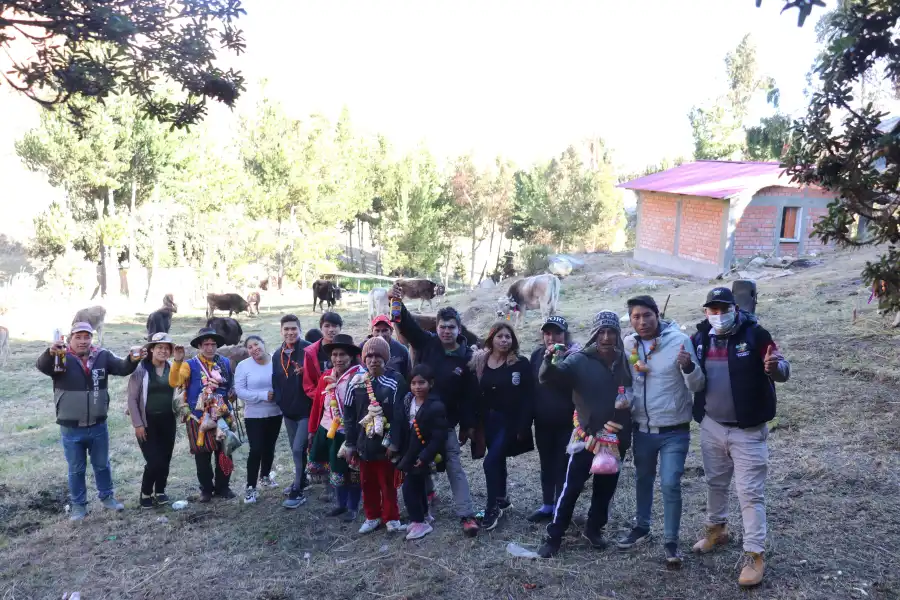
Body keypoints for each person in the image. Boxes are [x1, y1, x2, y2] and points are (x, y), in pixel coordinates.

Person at [690, 287, 790, 587]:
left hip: (747, 430)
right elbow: (696, 381)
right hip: (712, 425)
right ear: (706, 312)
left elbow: (783, 368)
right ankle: (717, 529)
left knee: (749, 493)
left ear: (735, 308)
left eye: (723, 309)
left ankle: (754, 554)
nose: (718, 316)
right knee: (715, 483)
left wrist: (775, 368)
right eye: (712, 310)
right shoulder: (700, 338)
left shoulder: (756, 335)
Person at [617, 295, 705, 566]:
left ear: (657, 314)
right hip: (641, 429)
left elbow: (697, 385)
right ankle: (641, 527)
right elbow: (626, 382)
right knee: (642, 480)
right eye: (636, 317)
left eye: (647, 315)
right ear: (630, 320)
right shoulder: (628, 343)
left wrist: (688, 366)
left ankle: (671, 541)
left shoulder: (679, 340)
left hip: (673, 430)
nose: (642, 322)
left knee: (669, 483)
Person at [535, 311, 632, 557]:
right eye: (602, 332)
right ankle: (554, 536)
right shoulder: (580, 360)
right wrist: (549, 360)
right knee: (571, 488)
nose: (607, 337)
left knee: (606, 488)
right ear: (594, 335)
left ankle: (594, 529)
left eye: (612, 332)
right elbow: (550, 377)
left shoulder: (623, 361)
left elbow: (632, 389)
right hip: (585, 438)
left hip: (613, 438)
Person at [390, 281, 481, 537]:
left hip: (446, 423)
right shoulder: (427, 343)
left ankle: (467, 514)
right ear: (436, 327)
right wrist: (396, 301)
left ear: (459, 329)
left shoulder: (467, 358)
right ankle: (425, 499)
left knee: (454, 466)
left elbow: (469, 395)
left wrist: (468, 425)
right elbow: (406, 324)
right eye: (442, 326)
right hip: (417, 420)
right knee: (418, 462)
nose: (446, 331)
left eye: (451, 327)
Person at [37, 322, 140, 521]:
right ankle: (78, 506)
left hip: (98, 424)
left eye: (87, 337)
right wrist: (49, 353)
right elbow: (42, 366)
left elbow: (122, 367)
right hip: (71, 427)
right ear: (70, 338)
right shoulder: (60, 356)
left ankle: (107, 498)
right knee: (76, 469)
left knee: (102, 464)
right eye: (79, 337)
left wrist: (132, 359)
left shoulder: (102, 356)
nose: (83, 341)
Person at [469, 322, 534, 531]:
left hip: (510, 421)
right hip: (489, 421)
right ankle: (502, 498)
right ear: (491, 339)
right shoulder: (481, 361)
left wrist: (524, 425)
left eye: (508, 337)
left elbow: (527, 397)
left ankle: (492, 508)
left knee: (490, 463)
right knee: (498, 461)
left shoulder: (520, 363)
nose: (504, 340)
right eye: (500, 336)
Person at [344, 336, 408, 534]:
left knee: (387, 482)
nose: (373, 360)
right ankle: (372, 516)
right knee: (367, 482)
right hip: (363, 443)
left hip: (385, 443)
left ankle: (391, 518)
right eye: (369, 356)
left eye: (378, 355)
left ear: (386, 358)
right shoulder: (356, 382)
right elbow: (349, 414)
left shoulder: (395, 380)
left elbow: (399, 416)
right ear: (363, 358)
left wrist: (394, 442)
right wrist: (350, 443)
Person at [169, 327, 238, 502]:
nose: (210, 348)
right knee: (202, 455)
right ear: (199, 346)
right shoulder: (189, 365)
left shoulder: (225, 362)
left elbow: (230, 386)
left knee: (225, 452)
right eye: (206, 344)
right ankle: (206, 489)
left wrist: (232, 393)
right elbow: (175, 382)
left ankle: (224, 487)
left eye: (213, 344)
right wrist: (177, 361)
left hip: (222, 414)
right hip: (197, 417)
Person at [528, 315, 581, 523]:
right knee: (546, 464)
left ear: (565, 335)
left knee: (563, 465)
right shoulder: (536, 356)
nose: (551, 337)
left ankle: (561, 507)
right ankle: (547, 505)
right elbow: (531, 388)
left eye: (557, 332)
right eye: (547, 333)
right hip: (542, 422)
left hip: (568, 423)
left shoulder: (575, 357)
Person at [307, 333, 364, 521]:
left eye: (342, 355)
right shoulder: (326, 376)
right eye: (334, 355)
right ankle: (340, 504)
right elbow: (318, 405)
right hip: (327, 429)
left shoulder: (359, 378)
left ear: (351, 356)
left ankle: (353, 506)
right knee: (335, 468)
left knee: (352, 471)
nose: (338, 359)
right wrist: (312, 430)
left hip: (348, 432)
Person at [126, 332, 178, 509]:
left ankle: (161, 491)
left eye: (166, 348)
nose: (163, 351)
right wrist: (138, 424)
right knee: (154, 460)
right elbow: (132, 399)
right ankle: (146, 492)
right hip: (147, 421)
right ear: (151, 350)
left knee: (165, 458)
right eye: (159, 347)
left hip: (168, 420)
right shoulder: (140, 369)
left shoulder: (172, 368)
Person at [397, 364, 447, 540]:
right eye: (414, 383)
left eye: (422, 383)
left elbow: (438, 437)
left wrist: (426, 455)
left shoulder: (436, 406)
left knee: (409, 487)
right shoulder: (408, 401)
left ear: (431, 383)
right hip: (410, 451)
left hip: (422, 453)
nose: (417, 387)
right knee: (417, 486)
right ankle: (424, 515)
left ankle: (418, 521)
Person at [272, 315, 312, 509]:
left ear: (299, 329)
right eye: (286, 329)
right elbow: (276, 380)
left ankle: (298, 490)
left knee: (298, 449)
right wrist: (280, 402)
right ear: (281, 331)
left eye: (293, 329)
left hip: (306, 409)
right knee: (296, 449)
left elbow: (319, 377)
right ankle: (302, 478)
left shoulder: (309, 350)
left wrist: (307, 373)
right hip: (288, 411)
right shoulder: (276, 354)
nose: (290, 332)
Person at [235, 335, 280, 504]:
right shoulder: (243, 366)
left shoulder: (276, 361)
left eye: (256, 344)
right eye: (250, 347)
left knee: (269, 447)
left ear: (264, 344)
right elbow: (239, 390)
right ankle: (250, 487)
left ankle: (266, 476)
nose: (254, 349)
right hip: (254, 414)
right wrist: (262, 395)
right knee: (256, 449)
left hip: (276, 412)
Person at [302, 311, 343, 400]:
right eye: (327, 326)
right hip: (321, 402)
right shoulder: (311, 352)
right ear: (321, 328)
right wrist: (324, 398)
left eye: (335, 326)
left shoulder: (350, 349)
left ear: (340, 328)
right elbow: (309, 385)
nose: (331, 329)